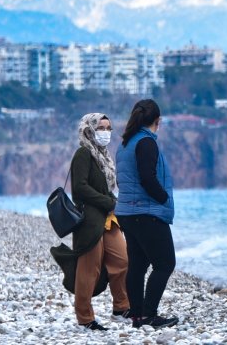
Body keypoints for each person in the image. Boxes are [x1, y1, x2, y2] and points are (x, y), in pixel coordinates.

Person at [115, 99, 178, 329]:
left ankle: (137, 316)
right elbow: (147, 178)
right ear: (157, 121)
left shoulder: (124, 144)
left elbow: (123, 179)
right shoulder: (146, 143)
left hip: (127, 212)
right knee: (165, 264)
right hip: (147, 212)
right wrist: (163, 198)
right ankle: (149, 315)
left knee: (138, 265)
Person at [70, 113, 130, 331]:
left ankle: (121, 307)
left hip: (108, 218)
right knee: (89, 269)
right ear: (89, 129)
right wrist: (108, 201)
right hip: (90, 220)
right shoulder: (83, 154)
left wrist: (113, 202)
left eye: (109, 128)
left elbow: (105, 188)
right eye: (101, 128)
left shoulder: (103, 156)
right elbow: (80, 188)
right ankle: (85, 318)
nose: (106, 132)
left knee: (121, 259)